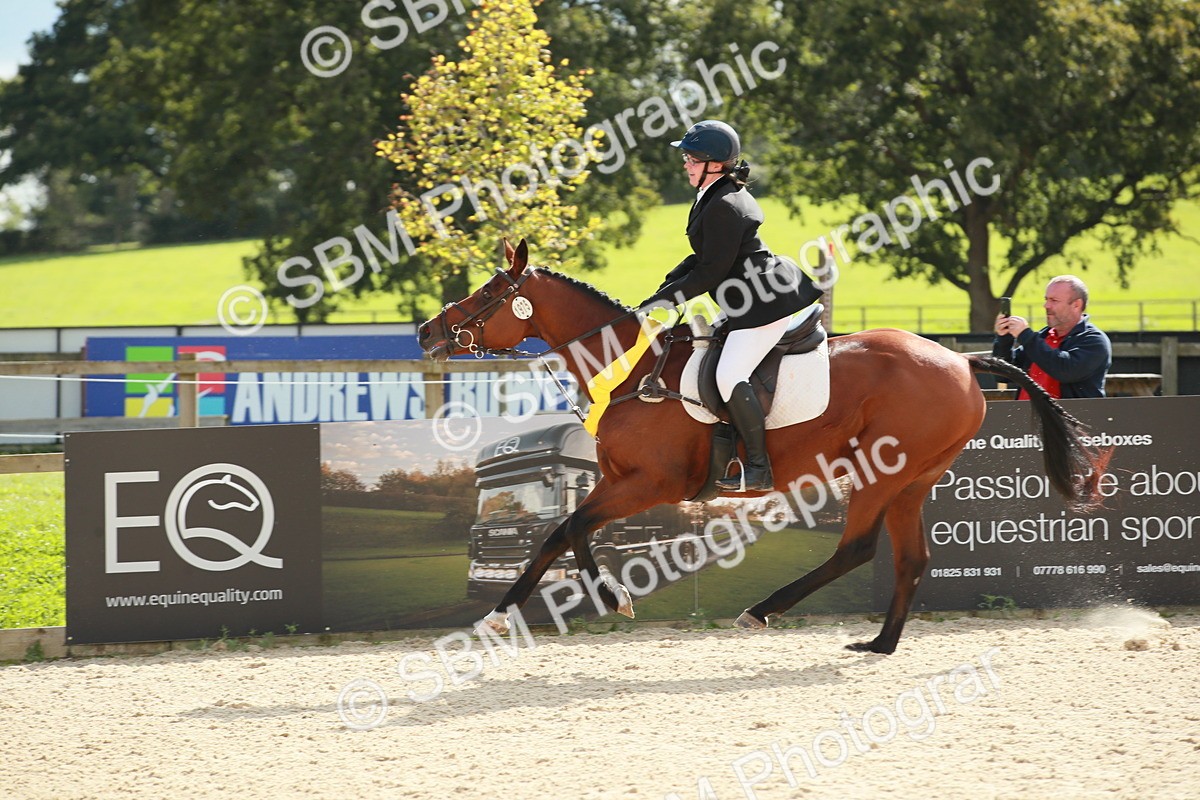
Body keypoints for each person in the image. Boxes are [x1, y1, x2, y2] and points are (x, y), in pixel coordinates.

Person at [638, 120, 821, 491]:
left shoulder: (724, 203)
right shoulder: (712, 192)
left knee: (728, 375)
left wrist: (665, 300)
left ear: (713, 163)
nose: (685, 165)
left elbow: (709, 272)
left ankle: (759, 468)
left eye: (690, 159)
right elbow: (701, 258)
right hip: (744, 298)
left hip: (762, 303)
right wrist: (663, 289)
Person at [992, 275, 1111, 399]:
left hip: (1071, 418)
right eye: (1046, 299)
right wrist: (1004, 339)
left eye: (1054, 300)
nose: (1046, 306)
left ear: (1076, 305)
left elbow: (1065, 371)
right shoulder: (1043, 337)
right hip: (1025, 417)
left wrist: (1026, 336)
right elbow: (1003, 375)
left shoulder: (1094, 340)